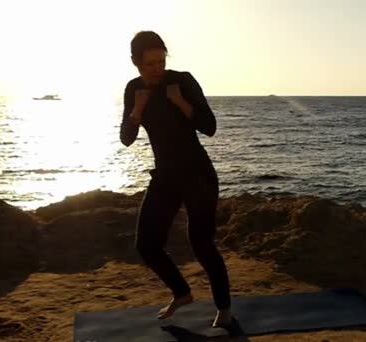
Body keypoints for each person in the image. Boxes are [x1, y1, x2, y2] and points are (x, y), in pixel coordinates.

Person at [119, 31, 231, 328]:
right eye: (149, 64)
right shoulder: (133, 89)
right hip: (166, 177)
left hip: (197, 174)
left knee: (202, 243)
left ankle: (225, 308)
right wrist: (138, 110)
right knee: (146, 244)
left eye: (161, 61)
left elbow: (210, 127)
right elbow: (126, 139)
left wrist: (180, 101)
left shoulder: (182, 80)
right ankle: (182, 293)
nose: (157, 68)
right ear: (135, 63)